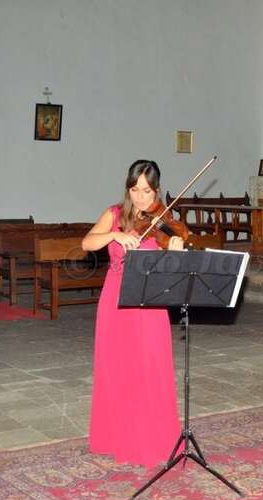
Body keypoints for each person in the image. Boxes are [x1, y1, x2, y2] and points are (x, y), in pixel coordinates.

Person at [82, 159, 183, 468]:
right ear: (128, 189)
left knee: (151, 368)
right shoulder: (114, 215)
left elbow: (173, 270)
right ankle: (116, 437)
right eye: (136, 190)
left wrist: (176, 250)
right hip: (115, 301)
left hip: (150, 302)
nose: (141, 197)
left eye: (148, 191)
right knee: (118, 368)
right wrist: (114, 236)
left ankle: (152, 441)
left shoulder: (165, 220)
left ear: (157, 190)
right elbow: (86, 243)